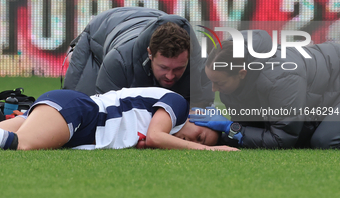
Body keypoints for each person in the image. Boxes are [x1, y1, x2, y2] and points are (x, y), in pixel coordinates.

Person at [190, 29, 340, 149]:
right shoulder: (233, 77)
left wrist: (230, 127)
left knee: (324, 141)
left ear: (242, 74)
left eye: (219, 83)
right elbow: (250, 128)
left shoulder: (281, 77)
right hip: (326, 92)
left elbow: (281, 139)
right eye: (211, 81)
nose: (214, 89)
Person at [0, 87, 238, 151]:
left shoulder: (164, 128)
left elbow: (153, 138)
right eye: (200, 137)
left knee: (12, 139)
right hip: (81, 112)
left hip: (76, 121)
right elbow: (156, 137)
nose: (193, 142)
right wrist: (213, 151)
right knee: (21, 145)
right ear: (197, 118)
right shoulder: (178, 104)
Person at [63, 7, 213, 107]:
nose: (170, 76)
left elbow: (201, 114)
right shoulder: (118, 61)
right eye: (163, 67)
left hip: (150, 19)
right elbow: (108, 115)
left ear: (188, 59)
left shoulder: (201, 68)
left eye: (178, 68)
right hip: (101, 31)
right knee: (78, 107)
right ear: (150, 53)